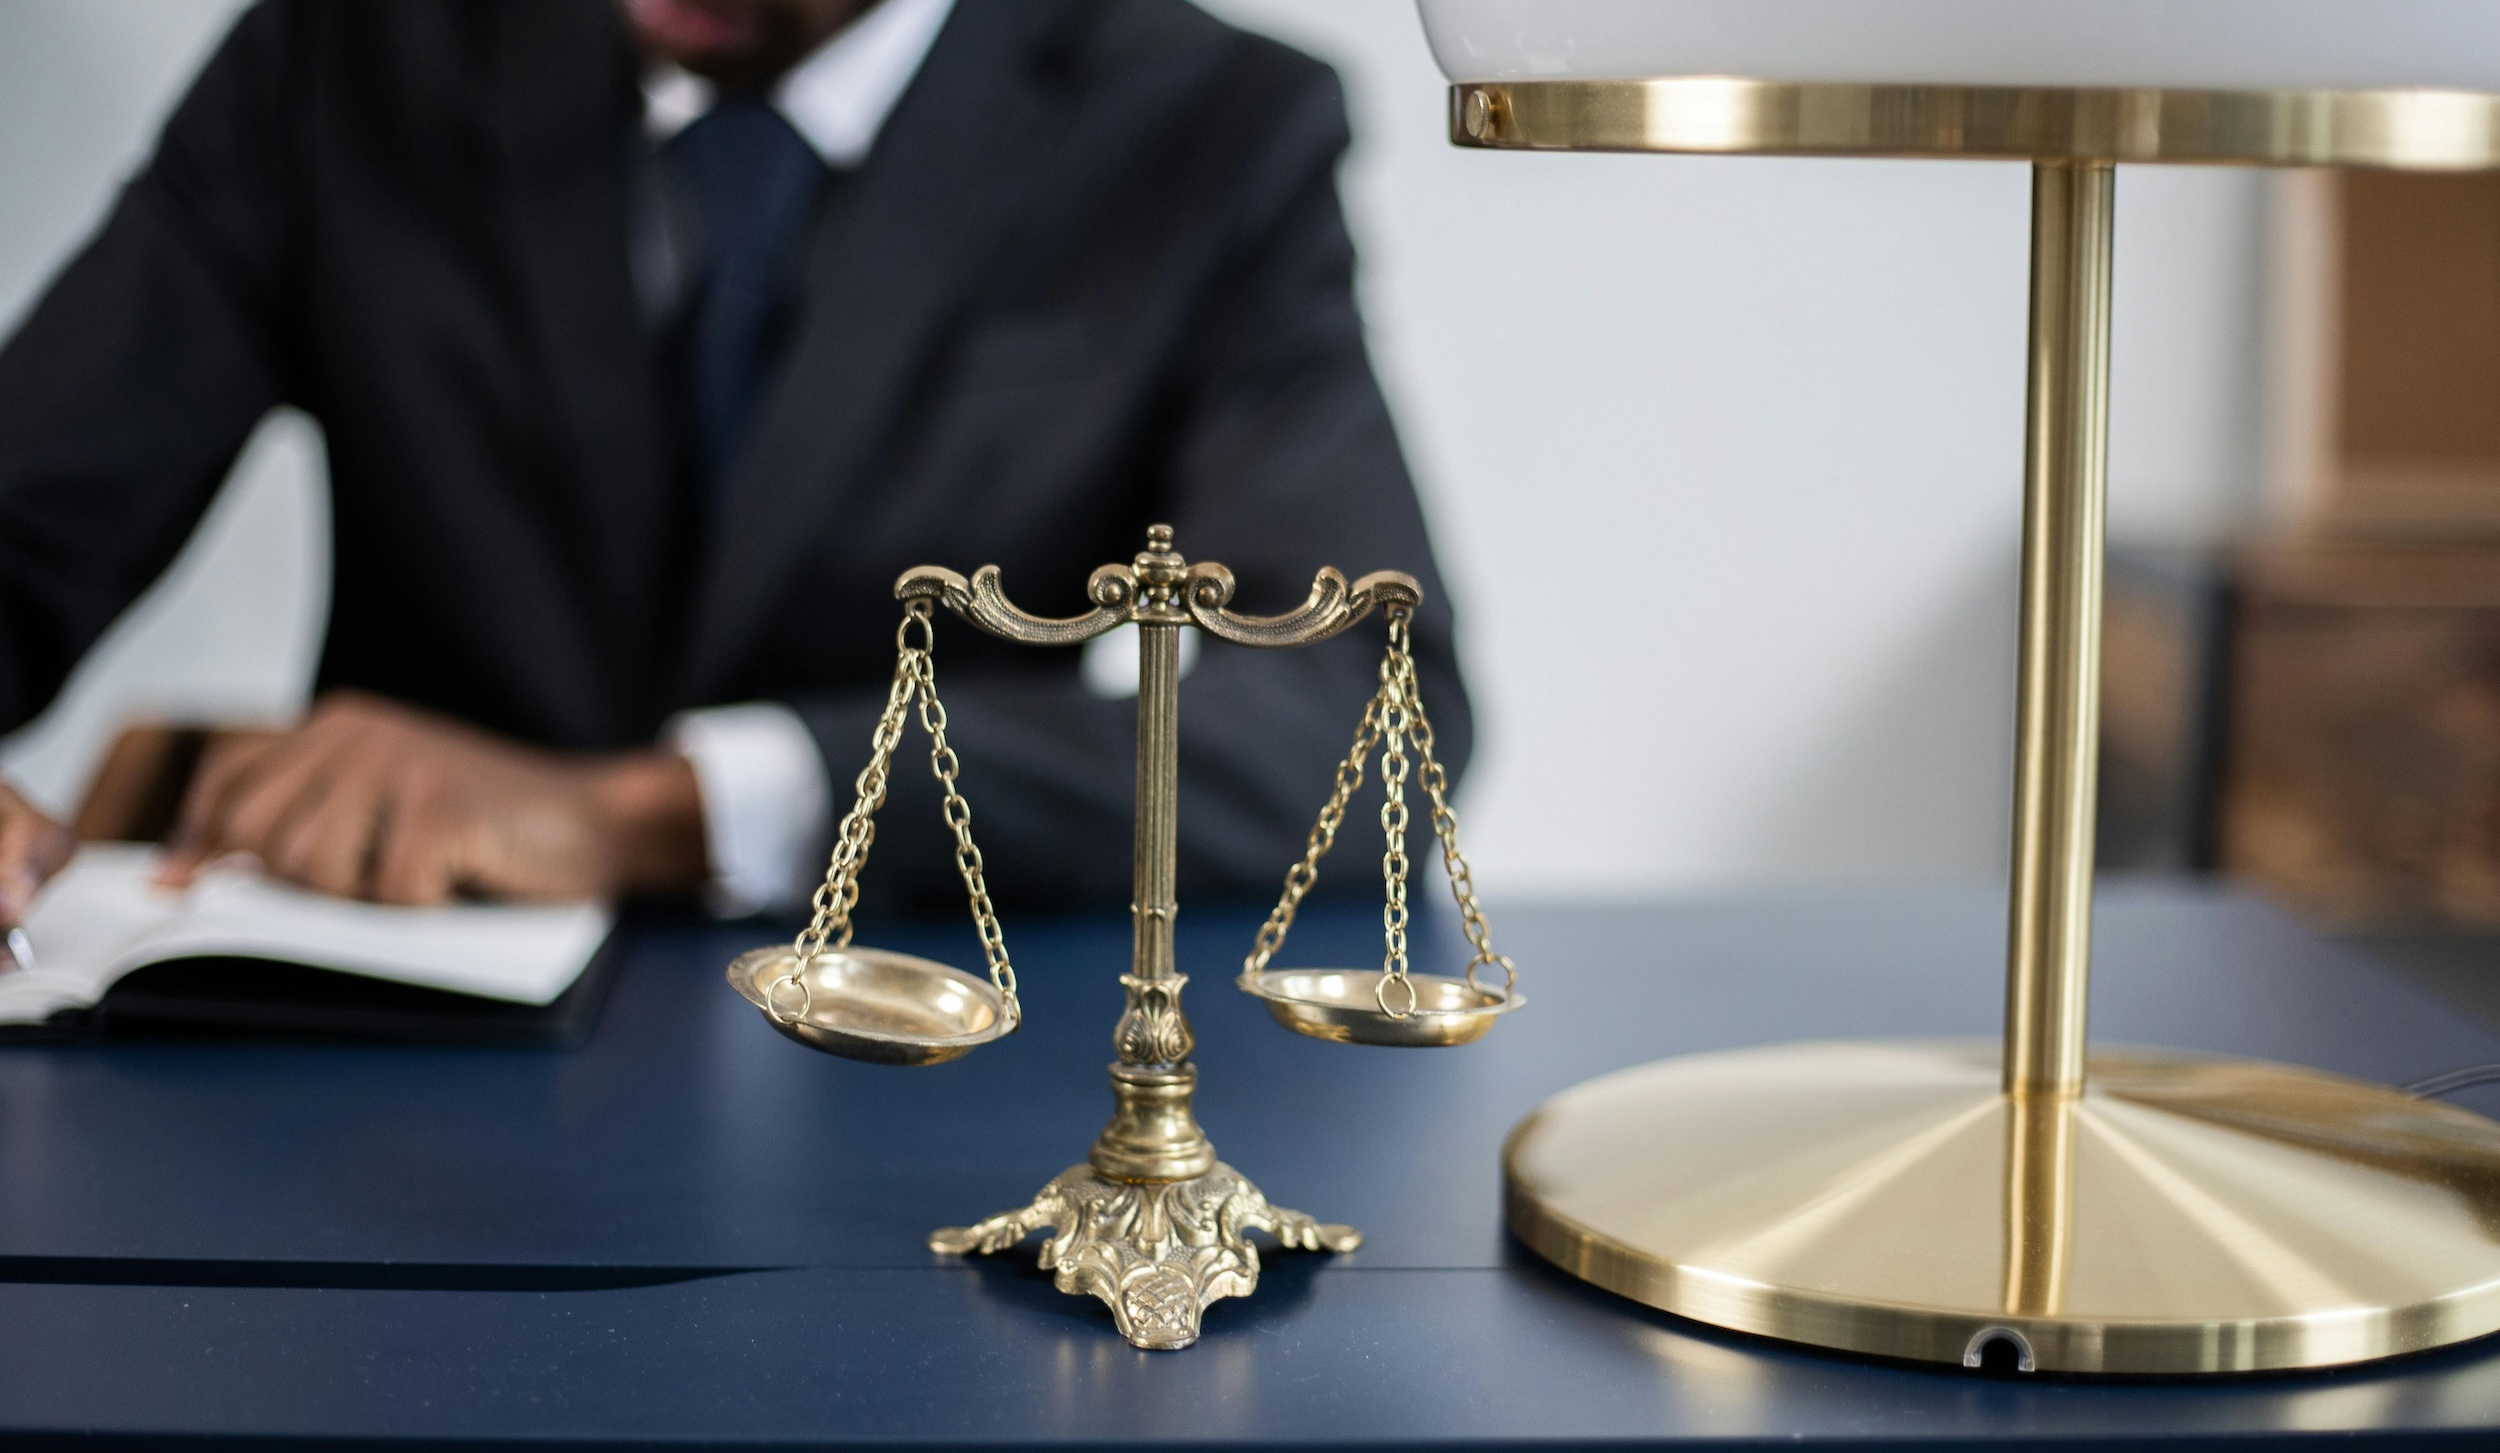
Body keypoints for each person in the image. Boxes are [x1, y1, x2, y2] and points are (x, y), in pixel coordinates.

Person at [0, 0, 1470, 926]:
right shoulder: (345, 51)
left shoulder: (1208, 129)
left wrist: (659, 808)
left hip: (916, 1048)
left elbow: (1371, 723)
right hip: (370, 1027)